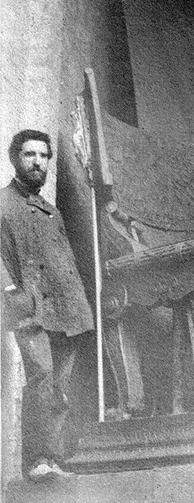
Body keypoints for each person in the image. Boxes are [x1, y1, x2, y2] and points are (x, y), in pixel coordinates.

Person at [1, 130, 94, 482]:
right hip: (31, 306)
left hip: (64, 309)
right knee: (40, 377)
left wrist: (78, 304)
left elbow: (64, 263)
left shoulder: (52, 211)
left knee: (60, 385)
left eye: (43, 156)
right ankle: (36, 461)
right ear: (15, 159)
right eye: (29, 154)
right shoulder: (2, 203)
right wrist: (11, 291)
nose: (37, 162)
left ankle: (53, 459)